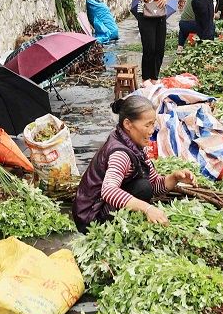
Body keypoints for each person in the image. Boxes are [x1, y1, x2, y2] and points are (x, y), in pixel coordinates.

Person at [72, 95, 197, 232]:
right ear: (128, 124)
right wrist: (147, 209)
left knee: (145, 186)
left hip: (100, 209)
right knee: (142, 188)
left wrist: (175, 178)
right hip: (91, 219)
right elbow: (109, 190)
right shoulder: (121, 154)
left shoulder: (134, 145)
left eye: (153, 124)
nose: (151, 131)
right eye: (147, 125)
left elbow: (154, 184)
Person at [121, 0, 180, 81]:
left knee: (159, 49)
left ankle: (155, 78)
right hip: (145, 15)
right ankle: (146, 79)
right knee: (149, 48)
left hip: (160, 16)